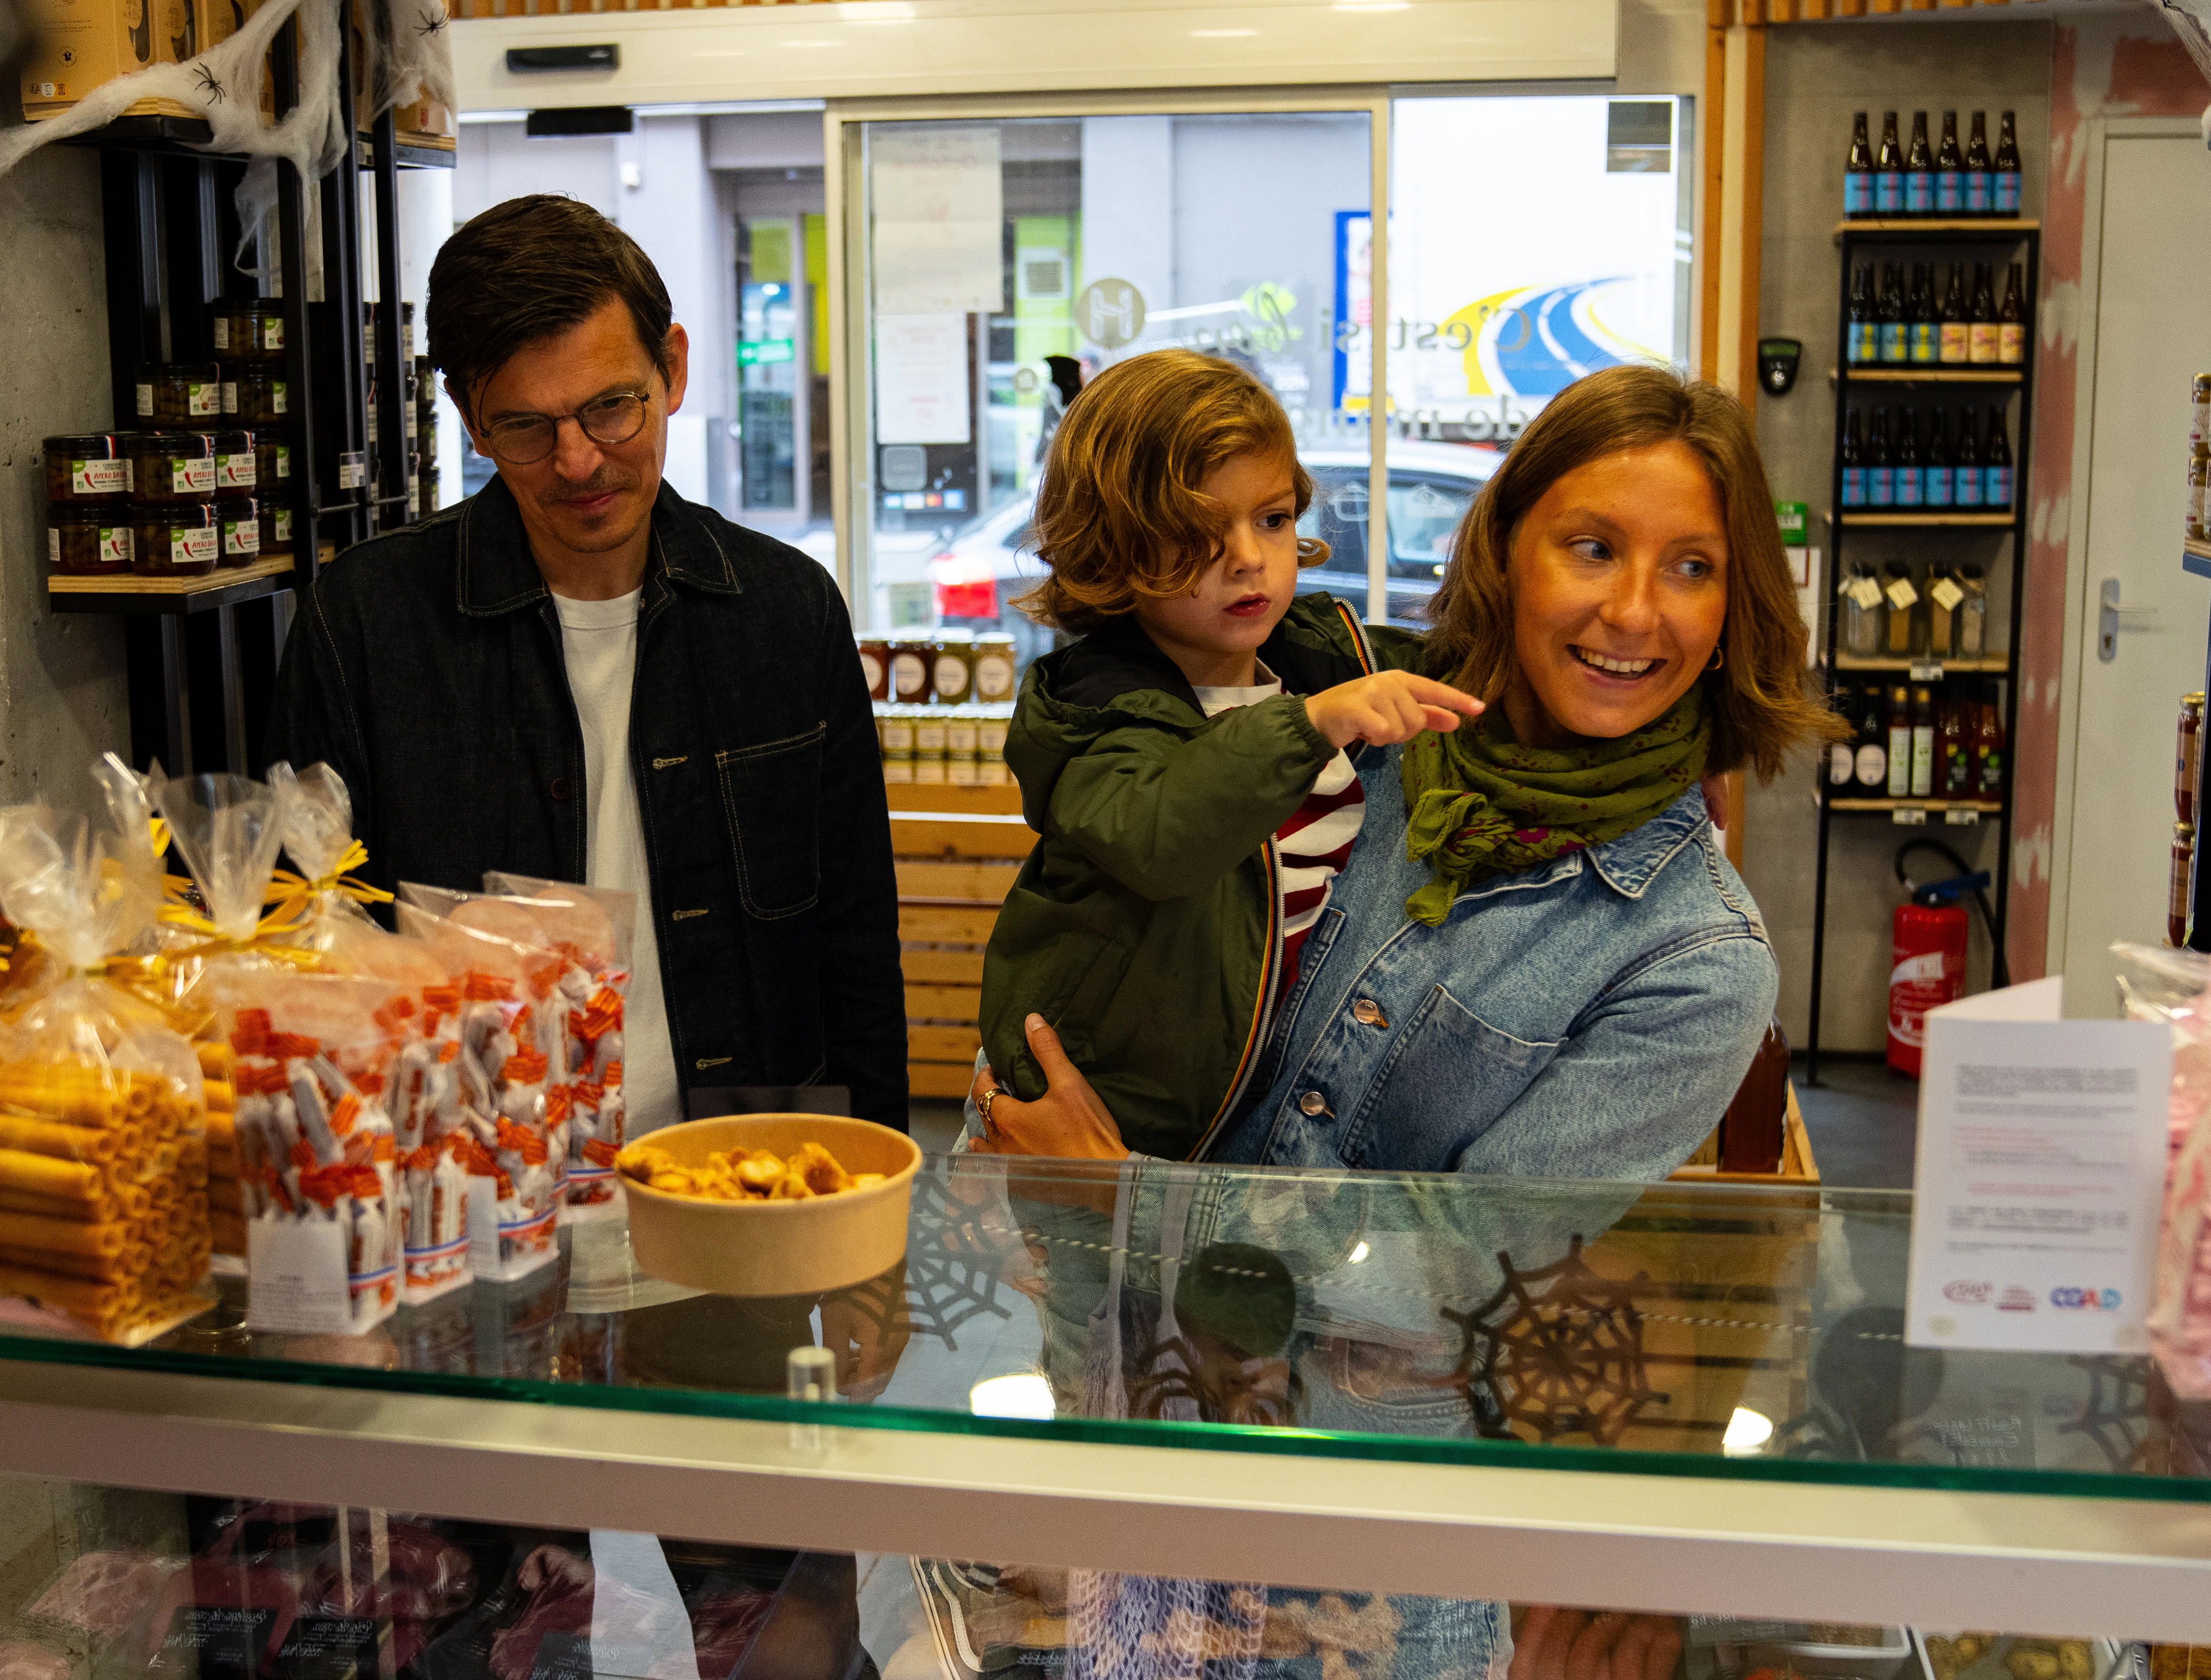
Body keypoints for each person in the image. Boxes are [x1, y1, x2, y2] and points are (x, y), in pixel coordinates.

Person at [973, 362, 1839, 1175]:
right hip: (1098, 1281)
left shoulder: (1698, 960)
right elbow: (1122, 891)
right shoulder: (1362, 712)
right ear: (1504, 547)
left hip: (1282, 1309)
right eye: (1592, 548)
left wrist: (1118, 1191)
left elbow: (1453, 1263)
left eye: (1693, 567)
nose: (1634, 610)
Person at [264, 194, 906, 1137]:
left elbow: (854, 945)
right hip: (472, 1178)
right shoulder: (366, 621)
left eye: (611, 407)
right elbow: (307, 945)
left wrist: (865, 1220)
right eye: (526, 426)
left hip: (734, 1161)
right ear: (469, 422)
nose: (578, 462)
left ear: (674, 369)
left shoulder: (784, 612)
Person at [977, 348, 1480, 1161]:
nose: (1248, 557)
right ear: (1111, 546)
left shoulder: (1326, 657)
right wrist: (1308, 725)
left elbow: (1486, 678)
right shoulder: (1091, 706)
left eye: (1272, 519)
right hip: (1115, 1136)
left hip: (1279, 1126)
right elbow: (1161, 832)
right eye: (1197, 532)